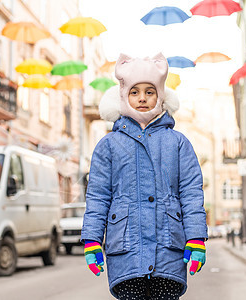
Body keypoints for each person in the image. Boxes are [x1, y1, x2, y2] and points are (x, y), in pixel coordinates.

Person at [81, 53, 208, 300]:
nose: (142, 98)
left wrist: (196, 237)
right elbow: (97, 196)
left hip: (168, 250)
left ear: (160, 95)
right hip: (126, 248)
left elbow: (191, 192)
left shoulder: (178, 143)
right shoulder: (108, 145)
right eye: (134, 92)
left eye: (150, 92)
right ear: (123, 96)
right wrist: (92, 239)